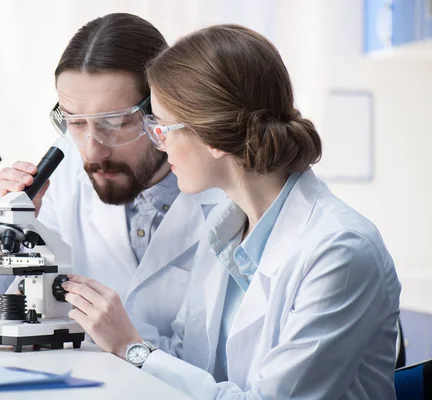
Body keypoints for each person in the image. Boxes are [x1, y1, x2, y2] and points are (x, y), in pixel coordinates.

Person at [60, 24, 402, 399]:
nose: (159, 145)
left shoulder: (339, 251)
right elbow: (191, 363)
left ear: (213, 136)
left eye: (163, 128)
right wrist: (110, 330)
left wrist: (132, 348)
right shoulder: (226, 231)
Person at [0, 13, 224, 343]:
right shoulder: (63, 171)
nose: (93, 151)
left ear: (161, 110)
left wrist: (129, 344)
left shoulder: (223, 189)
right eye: (76, 123)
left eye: (114, 123)